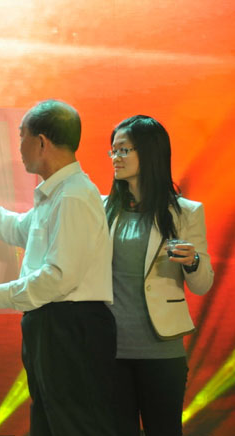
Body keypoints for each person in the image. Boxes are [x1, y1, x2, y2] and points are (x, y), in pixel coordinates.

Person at [0, 99, 116, 436]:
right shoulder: (59, 193)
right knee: (50, 422)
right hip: (54, 326)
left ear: (42, 142)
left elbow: (59, 277)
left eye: (22, 136)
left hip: (69, 327)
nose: (19, 148)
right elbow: (17, 227)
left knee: (72, 425)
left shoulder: (73, 196)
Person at [105, 115, 214, 435]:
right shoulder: (101, 209)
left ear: (150, 152)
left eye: (124, 150)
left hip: (161, 350)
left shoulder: (185, 212)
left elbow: (202, 285)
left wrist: (193, 261)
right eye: (113, 151)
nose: (116, 157)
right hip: (108, 350)